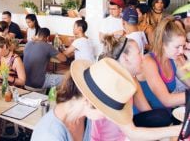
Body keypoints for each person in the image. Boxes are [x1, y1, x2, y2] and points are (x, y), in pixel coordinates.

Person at [31, 58, 181, 141]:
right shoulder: (49, 135)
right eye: (107, 112)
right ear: (89, 102)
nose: (108, 117)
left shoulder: (83, 118)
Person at [94, 36, 173, 140]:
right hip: (115, 137)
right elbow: (131, 133)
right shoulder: (114, 85)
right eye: (138, 53)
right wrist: (175, 130)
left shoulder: (132, 79)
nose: (143, 57)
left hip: (127, 131)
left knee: (162, 116)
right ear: (125, 58)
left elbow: (147, 111)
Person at [137, 17, 189, 111]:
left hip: (165, 114)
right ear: (162, 44)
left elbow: (188, 80)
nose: (181, 51)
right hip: (147, 118)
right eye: (177, 47)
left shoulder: (174, 59)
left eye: (183, 46)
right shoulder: (149, 62)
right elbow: (167, 100)